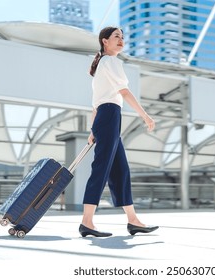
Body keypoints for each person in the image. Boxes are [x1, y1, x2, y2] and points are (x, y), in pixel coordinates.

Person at [79, 26, 159, 237]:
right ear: (105, 41)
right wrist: (145, 115)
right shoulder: (111, 61)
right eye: (116, 36)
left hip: (106, 118)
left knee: (120, 170)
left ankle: (133, 220)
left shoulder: (102, 66)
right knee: (101, 168)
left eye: (122, 37)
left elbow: (96, 105)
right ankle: (87, 222)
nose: (121, 40)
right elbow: (123, 92)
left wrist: (93, 129)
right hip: (110, 116)